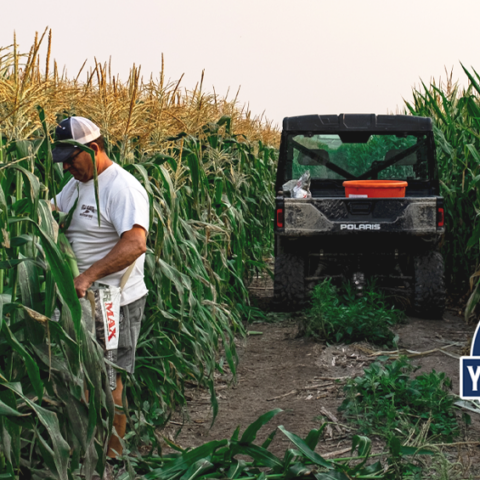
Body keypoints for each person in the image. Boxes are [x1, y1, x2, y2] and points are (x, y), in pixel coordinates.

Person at [51, 116, 149, 474]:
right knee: (82, 378)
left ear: (93, 149)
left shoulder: (120, 187)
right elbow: (54, 210)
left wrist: (88, 276)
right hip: (82, 301)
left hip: (112, 302)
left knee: (110, 381)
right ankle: (86, 448)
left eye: (71, 158)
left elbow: (136, 243)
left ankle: (113, 459)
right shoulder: (77, 183)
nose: (66, 166)